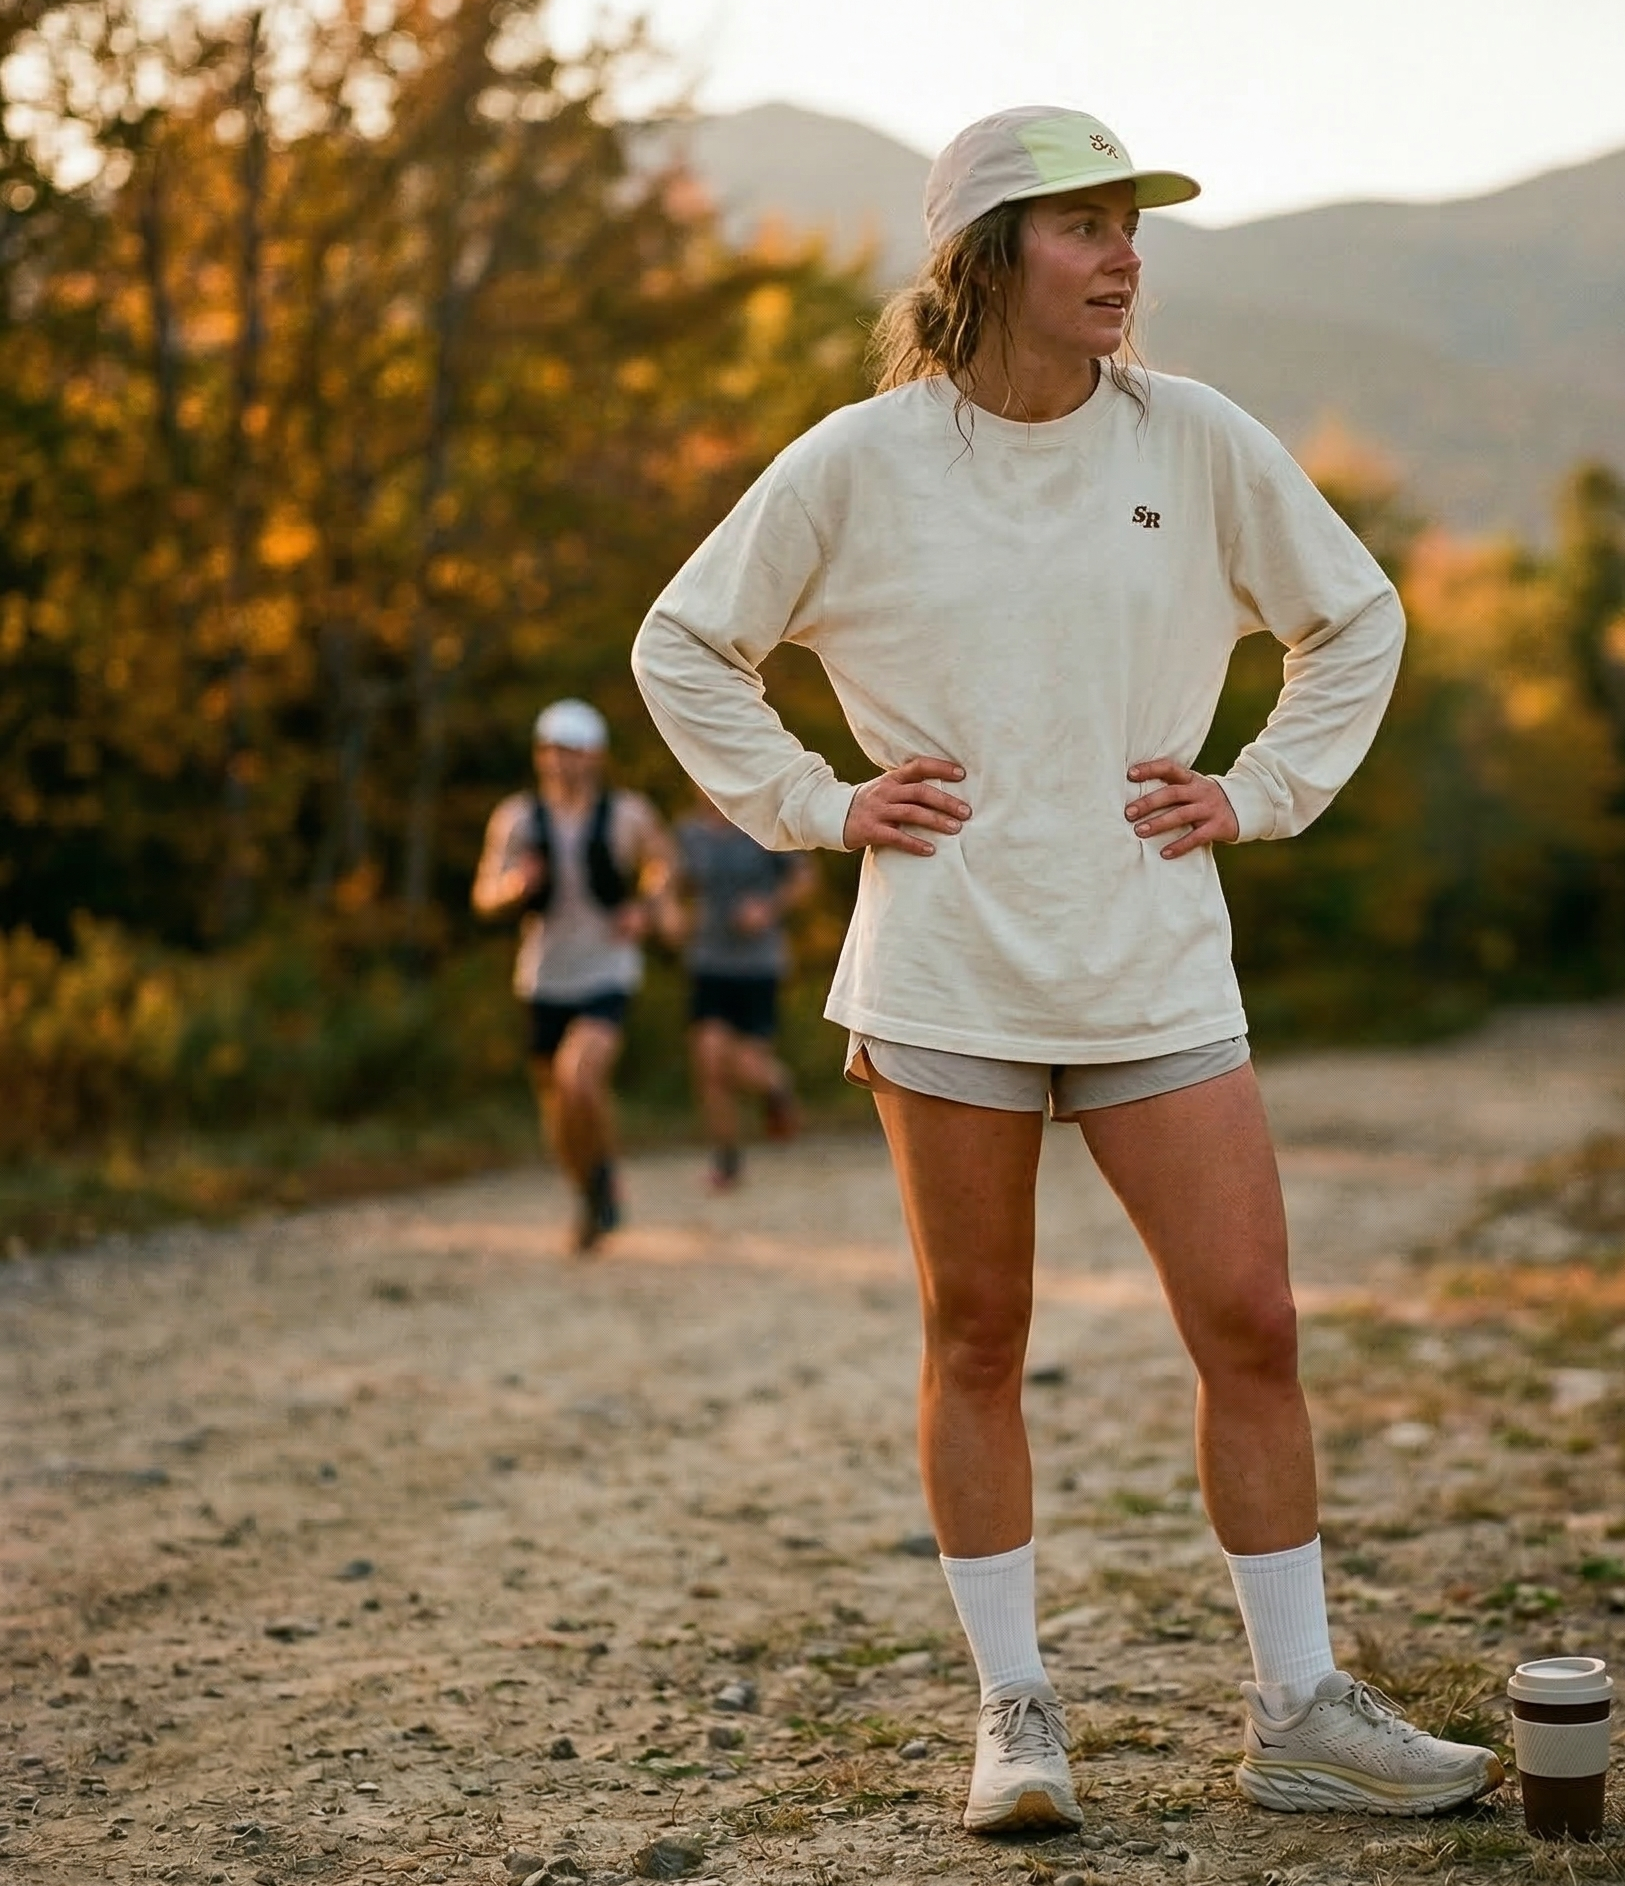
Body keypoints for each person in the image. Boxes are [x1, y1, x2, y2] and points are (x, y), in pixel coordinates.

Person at [632, 107, 1503, 1835]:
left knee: (1250, 1325)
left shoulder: (1195, 442)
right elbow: (687, 641)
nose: (1123, 257)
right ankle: (1015, 1714)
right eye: (1082, 226)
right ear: (984, 258)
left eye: (1130, 226)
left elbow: (1357, 619)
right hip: (945, 970)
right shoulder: (858, 463)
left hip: (1152, 964)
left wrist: (1257, 791)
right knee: (978, 1337)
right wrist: (815, 800)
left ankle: (1300, 1707)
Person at [472, 698, 671, 1252]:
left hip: (607, 970)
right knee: (560, 1109)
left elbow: (664, 864)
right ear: (539, 756)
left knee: (578, 1076)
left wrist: (647, 909)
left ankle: (603, 1178)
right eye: (551, 750)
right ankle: (590, 1192)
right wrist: (511, 889)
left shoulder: (628, 813)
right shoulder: (516, 818)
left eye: (573, 751)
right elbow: (483, 892)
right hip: (542, 978)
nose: (561, 762)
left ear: (597, 756)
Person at [664, 789, 815, 1189]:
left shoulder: (762, 823)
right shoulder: (688, 834)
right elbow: (666, 883)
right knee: (709, 1059)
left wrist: (767, 908)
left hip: (757, 965)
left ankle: (777, 1086)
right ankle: (726, 1159)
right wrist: (672, 915)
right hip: (707, 961)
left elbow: (803, 879)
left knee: (746, 1063)